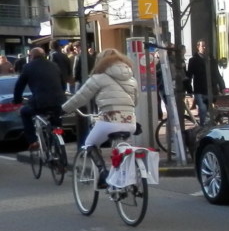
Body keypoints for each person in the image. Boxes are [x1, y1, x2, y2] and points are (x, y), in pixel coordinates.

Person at [62, 49, 139, 184]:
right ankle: (123, 180)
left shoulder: (98, 78)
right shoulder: (131, 79)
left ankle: (103, 173)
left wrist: (64, 109)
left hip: (109, 121)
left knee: (89, 143)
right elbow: (135, 102)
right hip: (130, 122)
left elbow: (80, 97)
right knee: (121, 149)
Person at [12, 46, 66, 149]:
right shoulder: (54, 65)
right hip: (59, 102)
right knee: (56, 124)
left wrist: (17, 100)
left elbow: (19, 86)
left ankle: (33, 141)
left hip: (40, 102)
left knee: (24, 113)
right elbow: (62, 84)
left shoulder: (28, 67)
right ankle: (58, 139)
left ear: (31, 56)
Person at [186, 40, 225, 125]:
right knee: (203, 108)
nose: (204, 48)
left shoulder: (212, 60)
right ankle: (203, 126)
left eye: (206, 46)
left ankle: (210, 125)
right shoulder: (193, 60)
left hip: (212, 89)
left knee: (210, 109)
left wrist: (222, 86)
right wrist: (188, 89)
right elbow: (189, 75)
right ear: (198, 47)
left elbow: (216, 73)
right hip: (200, 89)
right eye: (202, 46)